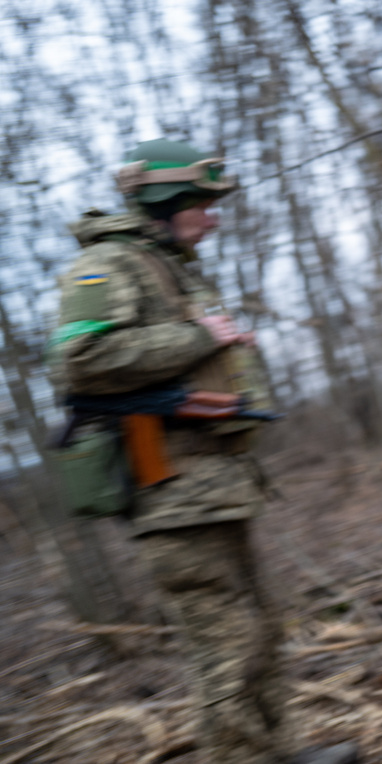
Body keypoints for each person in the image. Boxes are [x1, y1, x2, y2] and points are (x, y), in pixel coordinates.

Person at [49, 139, 357, 764]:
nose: (213, 219)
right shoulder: (108, 262)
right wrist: (197, 337)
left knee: (259, 628)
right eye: (203, 204)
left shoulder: (166, 264)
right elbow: (79, 360)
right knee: (226, 644)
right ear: (167, 202)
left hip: (214, 485)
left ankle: (279, 752)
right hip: (170, 490)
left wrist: (220, 347)